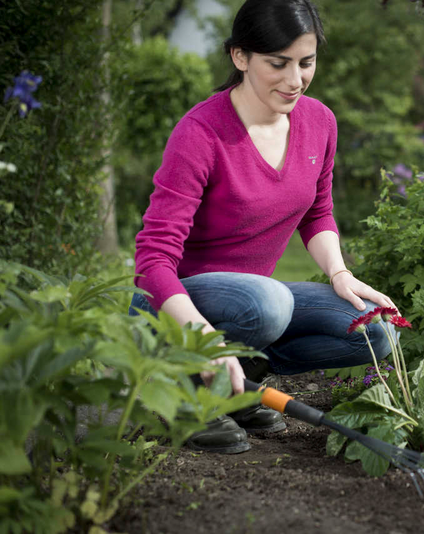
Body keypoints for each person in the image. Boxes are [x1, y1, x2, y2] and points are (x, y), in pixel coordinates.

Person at [129, 0, 395, 454]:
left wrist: (339, 272)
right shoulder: (200, 133)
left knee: (375, 330)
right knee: (269, 303)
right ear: (240, 56)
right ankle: (189, 393)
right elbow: (151, 261)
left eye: (306, 63)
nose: (295, 80)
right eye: (278, 63)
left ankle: (236, 387)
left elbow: (317, 212)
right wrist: (204, 338)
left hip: (252, 303)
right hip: (173, 309)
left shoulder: (320, 122)